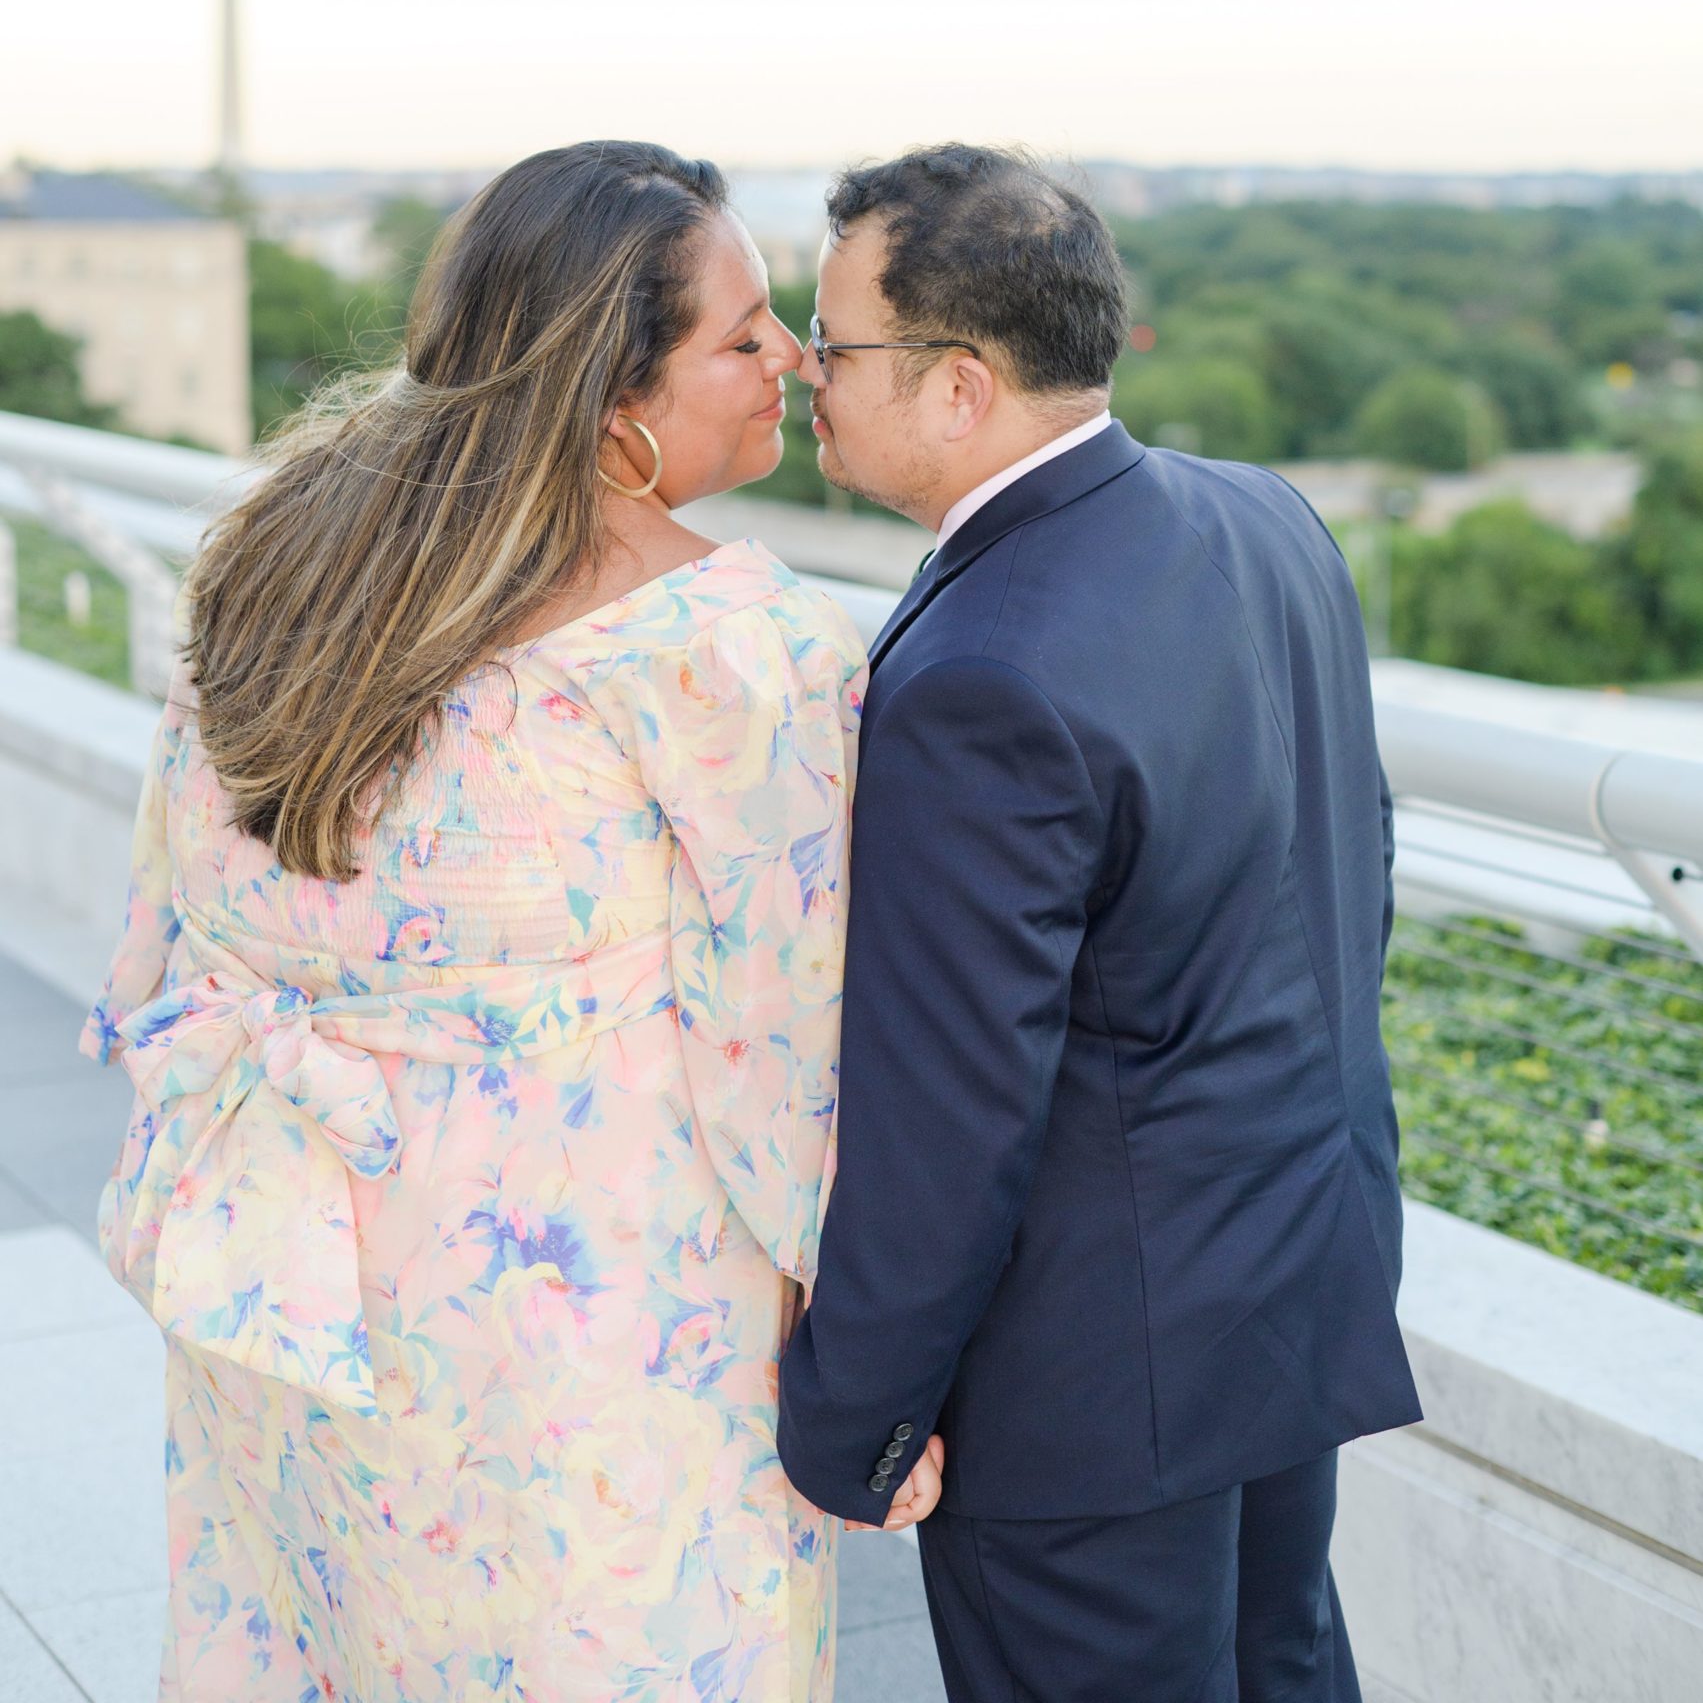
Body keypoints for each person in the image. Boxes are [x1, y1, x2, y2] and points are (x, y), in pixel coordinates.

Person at [81, 141, 867, 1703]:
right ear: (613, 397)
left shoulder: (277, 557)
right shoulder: (722, 645)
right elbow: (794, 1041)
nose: (788, 358)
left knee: (332, 1638)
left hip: (292, 1274)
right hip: (587, 1341)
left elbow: (174, 908)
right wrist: (869, 1330)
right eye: (744, 329)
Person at [777, 145, 1421, 1703]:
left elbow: (956, 1111)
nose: (806, 373)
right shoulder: (1266, 520)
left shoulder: (978, 672)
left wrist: (848, 1411)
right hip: (1286, 1294)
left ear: (958, 387)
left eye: (835, 345)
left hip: (1088, 1386)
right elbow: (1354, 883)